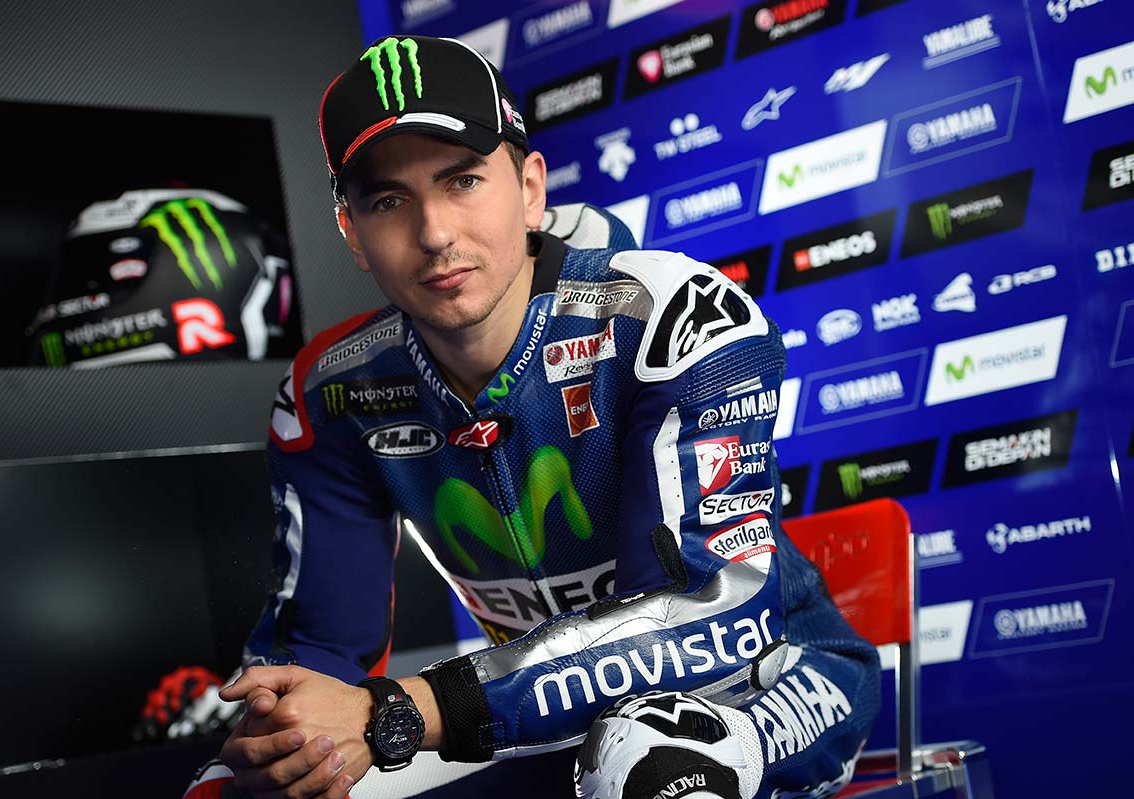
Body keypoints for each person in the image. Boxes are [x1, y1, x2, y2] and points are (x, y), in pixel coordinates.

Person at [185, 34, 880, 799]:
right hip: (530, 709)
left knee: (646, 760)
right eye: (388, 201)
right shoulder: (332, 392)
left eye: (462, 180)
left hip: (761, 680)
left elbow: (707, 619)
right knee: (249, 786)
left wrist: (403, 711)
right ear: (351, 231)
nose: (435, 233)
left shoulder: (672, 317)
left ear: (530, 188)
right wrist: (284, 733)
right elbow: (319, 647)